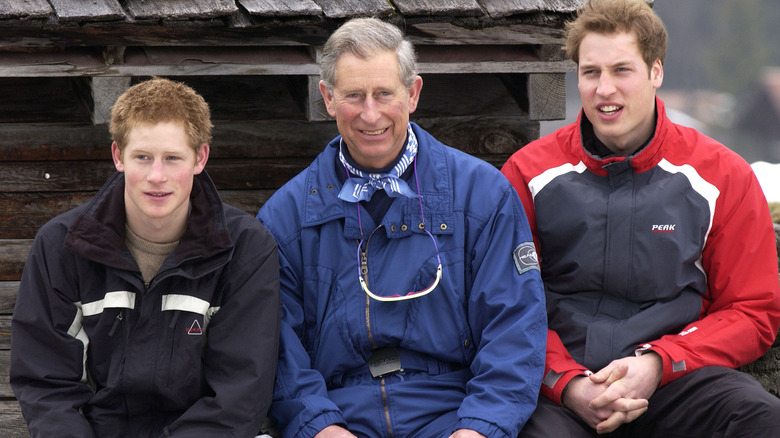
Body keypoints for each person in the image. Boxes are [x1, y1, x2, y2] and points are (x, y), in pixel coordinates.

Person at [256, 17, 547, 438]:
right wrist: (319, 427)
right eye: (354, 95)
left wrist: (480, 428)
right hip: (340, 416)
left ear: (412, 93)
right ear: (328, 98)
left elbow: (515, 329)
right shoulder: (284, 218)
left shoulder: (483, 196)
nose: (370, 114)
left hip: (454, 410)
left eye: (384, 94)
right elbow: (279, 350)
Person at [501, 1, 780, 437]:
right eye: (590, 72)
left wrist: (660, 362)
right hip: (560, 389)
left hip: (675, 378)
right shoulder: (528, 173)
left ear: (656, 72)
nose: (604, 88)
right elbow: (505, 304)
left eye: (621, 70)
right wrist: (566, 382)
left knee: (761, 418)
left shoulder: (722, 175)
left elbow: (753, 309)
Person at [10, 77, 281, 437]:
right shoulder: (61, 246)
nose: (157, 176)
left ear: (200, 157)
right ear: (118, 156)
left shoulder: (246, 249)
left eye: (172, 158)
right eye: (143, 157)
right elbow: (47, 385)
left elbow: (239, 396)